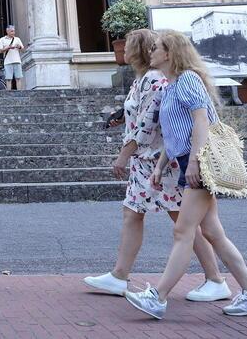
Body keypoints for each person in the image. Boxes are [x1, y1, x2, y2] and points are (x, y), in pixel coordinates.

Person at [125, 30, 247, 319]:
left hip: (199, 162)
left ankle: (158, 297)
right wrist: (160, 165)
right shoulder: (170, 85)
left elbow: (201, 122)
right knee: (214, 233)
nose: (150, 52)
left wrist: (195, 162)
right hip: (186, 159)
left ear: (169, 53)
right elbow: (173, 134)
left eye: (156, 48)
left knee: (183, 231)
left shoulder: (188, 80)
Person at [83, 29, 229, 301]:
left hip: (159, 160)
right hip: (151, 161)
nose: (122, 50)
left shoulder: (154, 79)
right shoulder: (144, 79)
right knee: (134, 213)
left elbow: (147, 124)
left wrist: (124, 155)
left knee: (184, 222)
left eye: (127, 46)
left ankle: (215, 278)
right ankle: (119, 275)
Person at [0, 25, 25, 90]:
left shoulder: (17, 39)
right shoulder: (2, 39)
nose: (13, 33)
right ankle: (9, 93)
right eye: (11, 31)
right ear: (7, 31)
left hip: (17, 61)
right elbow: (0, 51)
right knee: (8, 79)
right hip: (7, 62)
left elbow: (23, 50)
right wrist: (8, 47)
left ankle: (19, 93)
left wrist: (19, 47)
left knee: (18, 78)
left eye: (14, 31)